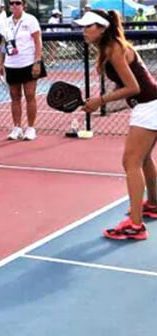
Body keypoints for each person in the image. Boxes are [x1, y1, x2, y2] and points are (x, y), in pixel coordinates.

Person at [75, 10, 157, 240]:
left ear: (102, 28)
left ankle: (136, 226)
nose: (84, 30)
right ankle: (153, 204)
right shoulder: (111, 48)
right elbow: (125, 86)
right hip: (151, 104)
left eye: (88, 26)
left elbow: (133, 88)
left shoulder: (114, 50)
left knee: (130, 162)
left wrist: (100, 101)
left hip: (149, 105)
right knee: (144, 158)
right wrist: (100, 105)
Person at [0, 0, 45, 141]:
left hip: (28, 62)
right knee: (14, 97)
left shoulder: (31, 20)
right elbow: (4, 43)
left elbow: (37, 42)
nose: (14, 6)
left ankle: (31, 128)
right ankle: (17, 128)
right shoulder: (5, 22)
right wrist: (0, 64)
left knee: (30, 95)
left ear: (24, 5)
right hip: (11, 64)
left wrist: (37, 62)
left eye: (17, 3)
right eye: (11, 3)